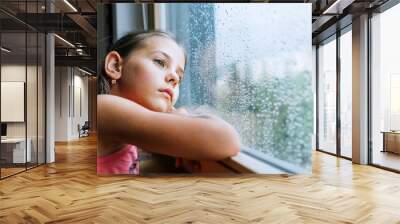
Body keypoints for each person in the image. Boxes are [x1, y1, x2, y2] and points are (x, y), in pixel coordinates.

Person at [97, 31, 240, 175]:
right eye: (160, 62)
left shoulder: (129, 132)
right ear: (115, 66)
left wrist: (185, 144)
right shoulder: (103, 108)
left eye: (180, 76)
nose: (174, 78)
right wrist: (181, 118)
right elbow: (226, 139)